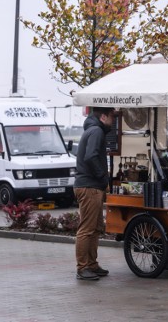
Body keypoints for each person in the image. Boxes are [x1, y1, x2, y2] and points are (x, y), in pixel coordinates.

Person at [74, 107, 116, 281]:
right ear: (103, 116)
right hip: (90, 186)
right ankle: (83, 267)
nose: (113, 122)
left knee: (95, 228)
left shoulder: (94, 130)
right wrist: (102, 177)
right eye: (112, 117)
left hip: (91, 186)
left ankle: (91, 265)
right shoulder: (96, 131)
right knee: (87, 229)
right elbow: (91, 156)